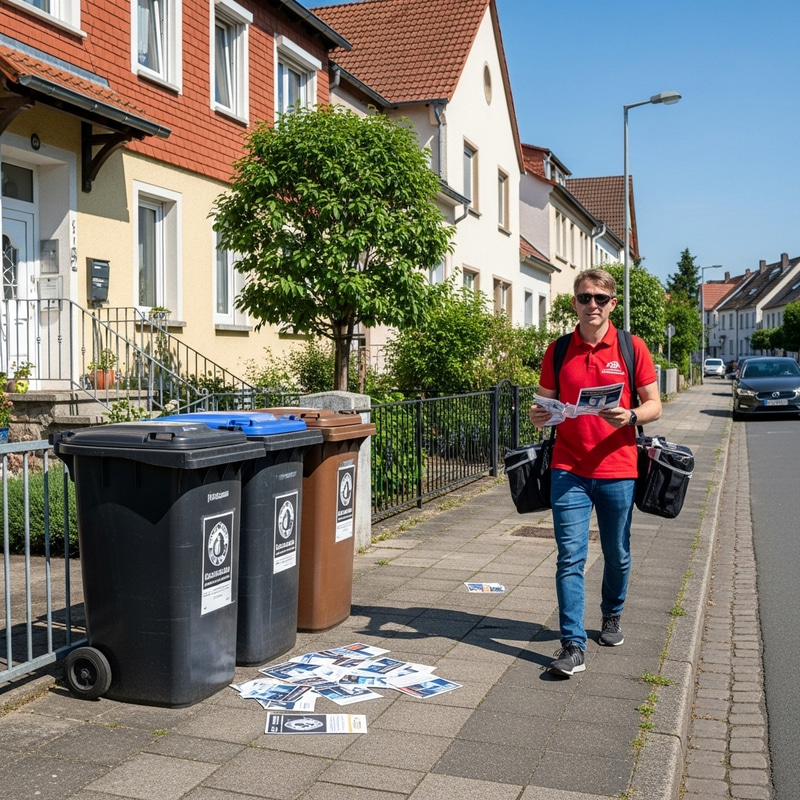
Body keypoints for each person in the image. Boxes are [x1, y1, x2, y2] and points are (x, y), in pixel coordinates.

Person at [529, 269, 662, 677]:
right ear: (574, 302)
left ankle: (612, 614)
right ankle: (572, 644)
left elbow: (654, 404)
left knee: (617, 554)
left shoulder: (630, 347)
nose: (593, 305)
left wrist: (631, 415)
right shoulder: (558, 350)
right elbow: (545, 408)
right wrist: (539, 417)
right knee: (570, 557)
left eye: (601, 299)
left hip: (618, 468)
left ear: (612, 304)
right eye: (585, 298)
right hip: (568, 468)